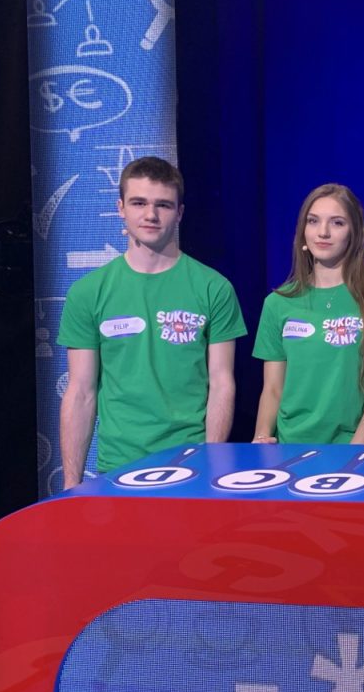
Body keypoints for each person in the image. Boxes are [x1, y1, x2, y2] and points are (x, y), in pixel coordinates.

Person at [58, 157, 246, 487]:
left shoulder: (214, 288)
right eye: (139, 203)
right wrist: (71, 485)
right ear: (120, 208)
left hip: (192, 466)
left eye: (163, 205)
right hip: (117, 469)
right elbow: (81, 392)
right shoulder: (87, 292)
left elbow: (221, 383)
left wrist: (212, 465)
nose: (151, 215)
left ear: (180, 212)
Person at [252, 184, 364, 444]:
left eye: (337, 222)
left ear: (355, 231)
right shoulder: (278, 303)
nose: (323, 232)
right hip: (289, 449)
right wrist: (261, 437)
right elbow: (273, 389)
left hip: (353, 448)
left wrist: (356, 447)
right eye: (313, 221)